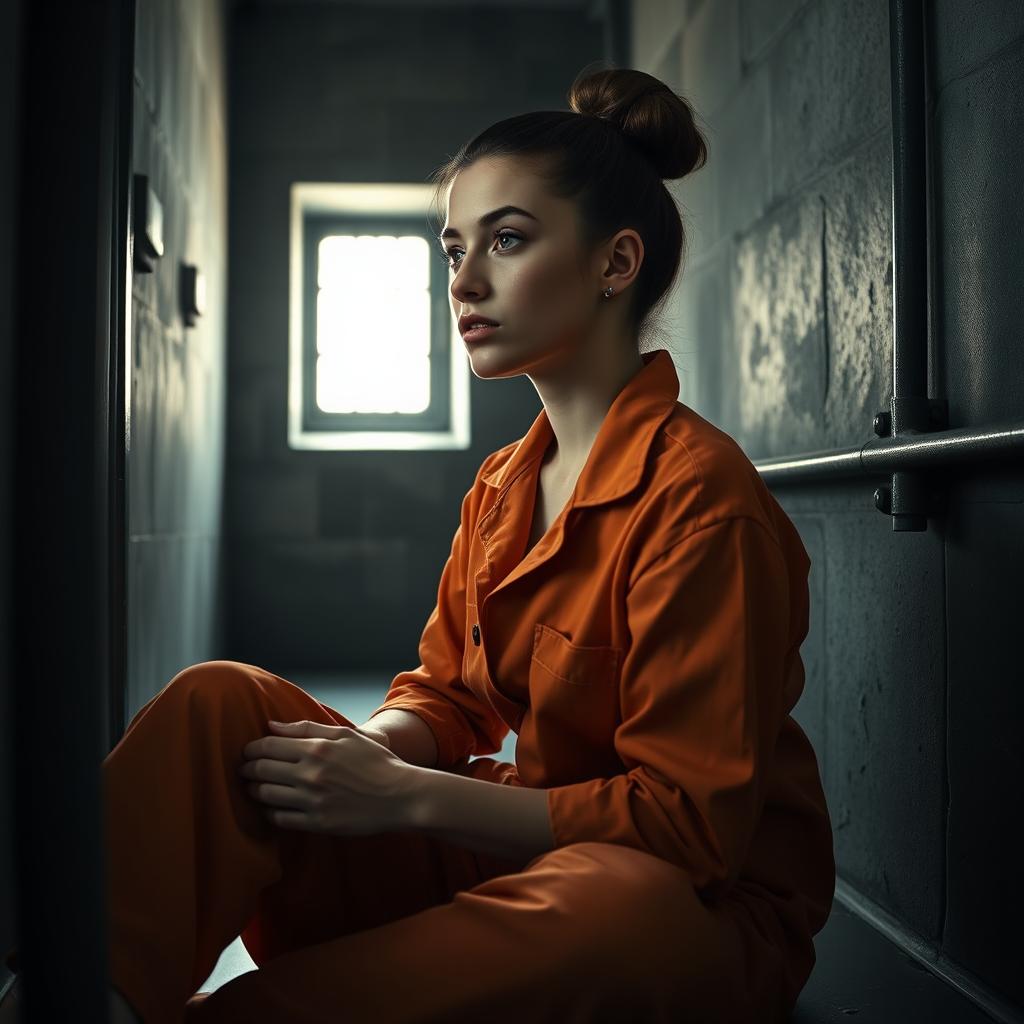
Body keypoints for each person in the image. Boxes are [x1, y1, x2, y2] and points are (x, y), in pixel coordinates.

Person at [1, 63, 835, 1023]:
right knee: (220, 703)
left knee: (619, 904)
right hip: (527, 850)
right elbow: (448, 700)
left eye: (508, 241)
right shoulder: (501, 487)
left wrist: (401, 799)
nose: (465, 282)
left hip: (689, 908)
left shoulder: (701, 502)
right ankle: (71, 996)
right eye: (452, 251)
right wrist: (353, 759)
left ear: (616, 264)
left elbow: (689, 833)